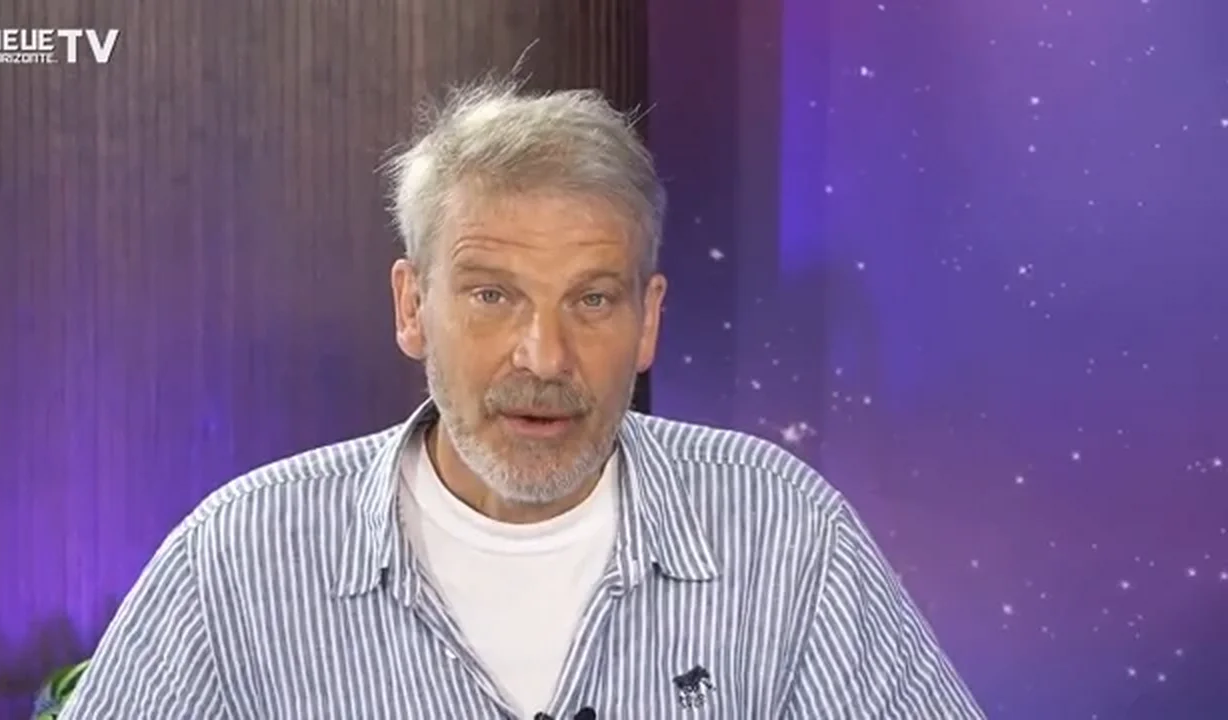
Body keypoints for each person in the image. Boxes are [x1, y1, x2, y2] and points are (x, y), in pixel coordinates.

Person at [59, 76, 985, 719]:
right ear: (412, 306)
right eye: (492, 295)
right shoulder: (237, 560)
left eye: (593, 300)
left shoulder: (785, 533)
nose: (544, 357)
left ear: (649, 321)